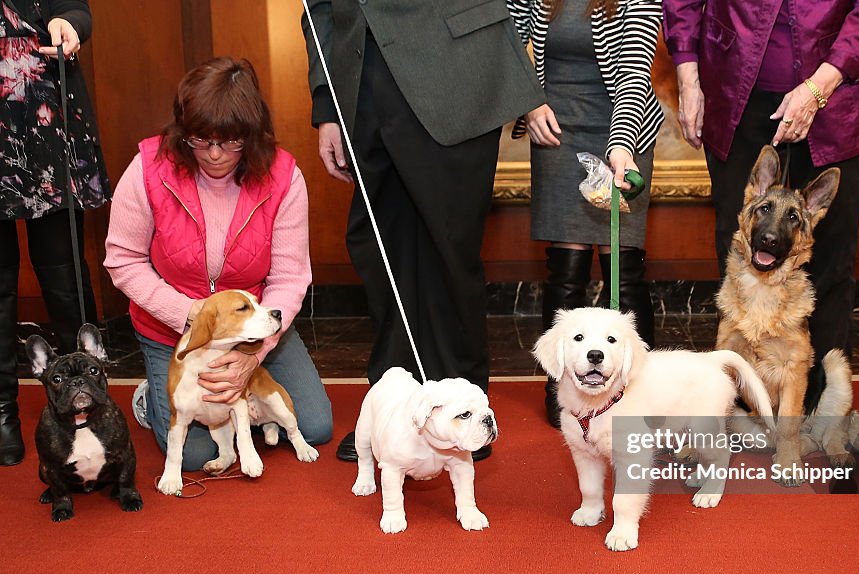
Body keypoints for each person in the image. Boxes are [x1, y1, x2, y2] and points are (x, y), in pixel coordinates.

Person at [301, 0, 544, 461]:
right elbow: (319, 13)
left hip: (451, 73)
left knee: (448, 254)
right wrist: (327, 107)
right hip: (361, 90)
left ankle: (465, 413)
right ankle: (392, 411)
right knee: (381, 257)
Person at [662, 0, 859, 412]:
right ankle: (734, 405)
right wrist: (686, 74)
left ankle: (823, 410)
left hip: (838, 95)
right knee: (740, 250)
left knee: (829, 261)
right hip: (734, 92)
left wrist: (818, 88)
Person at [104, 57, 332, 471]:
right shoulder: (149, 168)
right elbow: (123, 260)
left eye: (230, 142)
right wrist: (192, 315)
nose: (213, 154)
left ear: (251, 136)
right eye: (200, 139)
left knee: (314, 426)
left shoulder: (284, 178)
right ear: (182, 131)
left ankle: (237, 403)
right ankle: (150, 397)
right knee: (195, 456)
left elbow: (289, 276)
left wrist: (254, 354)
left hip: (251, 325)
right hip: (171, 331)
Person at [506, 0, 663, 428]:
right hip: (556, 129)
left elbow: (634, 69)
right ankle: (562, 389)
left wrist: (622, 144)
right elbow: (504, 38)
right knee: (566, 269)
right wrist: (529, 102)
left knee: (623, 268)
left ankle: (639, 388)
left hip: (624, 127)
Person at [1, 0, 110, 466]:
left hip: (45, 111)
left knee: (64, 274)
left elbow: (73, 7)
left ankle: (88, 396)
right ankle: (4, 411)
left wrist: (71, 24)